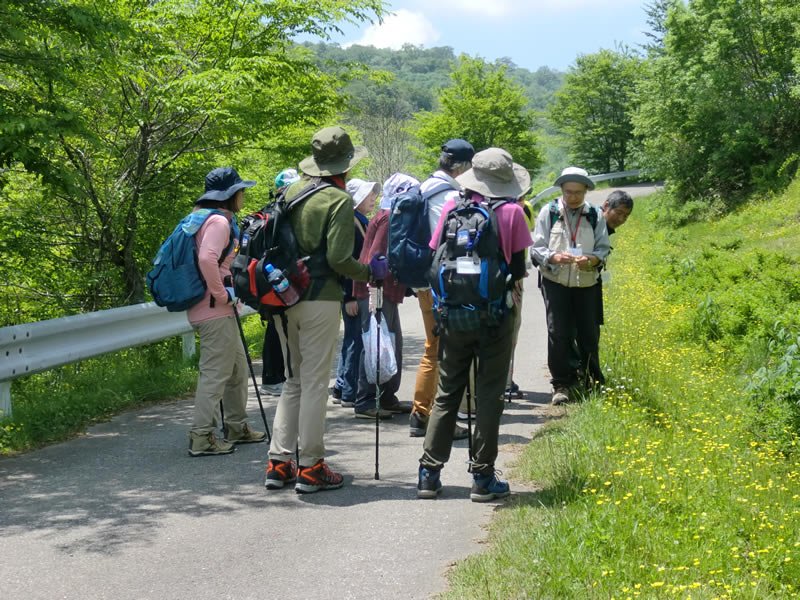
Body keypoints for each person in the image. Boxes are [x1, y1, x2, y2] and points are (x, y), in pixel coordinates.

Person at [265, 126, 387, 493]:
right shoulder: (337, 200)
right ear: (345, 165)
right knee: (316, 382)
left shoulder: (289, 191)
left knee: (294, 380)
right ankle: (311, 466)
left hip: (283, 297)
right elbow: (337, 258)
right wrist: (368, 272)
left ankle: (279, 462)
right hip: (319, 299)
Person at [417, 148, 532, 502]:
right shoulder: (512, 212)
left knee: (448, 391)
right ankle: (482, 478)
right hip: (495, 315)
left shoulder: (454, 208)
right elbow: (517, 268)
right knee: (488, 394)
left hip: (453, 316)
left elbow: (436, 254)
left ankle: (428, 473)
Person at [187, 167, 267, 456]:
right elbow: (207, 258)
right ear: (231, 195)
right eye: (241, 191)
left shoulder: (201, 217)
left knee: (236, 369)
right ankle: (202, 436)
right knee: (215, 374)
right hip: (214, 309)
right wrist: (222, 295)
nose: (243, 196)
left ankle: (236, 426)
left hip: (214, 309)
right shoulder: (219, 222)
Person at [410, 139, 474, 439]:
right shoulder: (449, 196)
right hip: (441, 284)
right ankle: (436, 419)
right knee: (443, 350)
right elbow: (448, 244)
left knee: (432, 348)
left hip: (422, 280)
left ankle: (421, 414)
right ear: (462, 168)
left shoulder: (423, 188)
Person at [531, 167, 611, 405]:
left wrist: (593, 260)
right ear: (562, 190)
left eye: (578, 192)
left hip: (587, 282)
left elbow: (603, 248)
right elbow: (536, 247)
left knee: (589, 333)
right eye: (568, 192)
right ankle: (561, 385)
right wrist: (553, 257)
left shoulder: (595, 215)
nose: (573, 197)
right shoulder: (549, 212)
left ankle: (592, 382)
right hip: (555, 281)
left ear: (586, 191)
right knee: (558, 333)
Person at [352, 173, 416, 419]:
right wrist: (375, 290)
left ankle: (387, 397)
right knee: (375, 344)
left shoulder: (389, 215)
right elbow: (376, 257)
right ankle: (366, 401)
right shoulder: (390, 218)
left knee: (392, 343)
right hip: (376, 290)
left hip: (383, 290)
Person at [330, 178, 379, 408]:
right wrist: (348, 296)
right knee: (355, 341)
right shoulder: (351, 222)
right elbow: (345, 261)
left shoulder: (360, 220)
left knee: (352, 339)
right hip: (353, 291)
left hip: (355, 289)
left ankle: (341, 387)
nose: (373, 198)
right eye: (368, 194)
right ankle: (349, 392)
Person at [259, 169, 300, 397]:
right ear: (280, 190)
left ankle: (277, 377)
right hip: (277, 278)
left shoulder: (271, 212)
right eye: (289, 187)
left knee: (278, 327)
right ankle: (273, 378)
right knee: (277, 329)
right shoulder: (279, 214)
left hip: (271, 278)